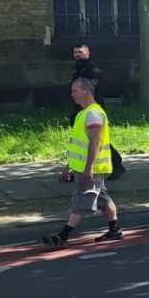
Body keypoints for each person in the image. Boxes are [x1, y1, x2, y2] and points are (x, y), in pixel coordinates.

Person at [41, 78, 124, 247]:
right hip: (84, 167)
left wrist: (89, 168)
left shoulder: (93, 113)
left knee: (82, 200)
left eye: (75, 91)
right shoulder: (83, 113)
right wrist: (69, 167)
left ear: (86, 91)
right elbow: (79, 145)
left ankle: (62, 236)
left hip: (92, 168)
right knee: (102, 198)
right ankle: (114, 230)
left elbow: (95, 142)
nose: (72, 95)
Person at [69, 43, 125, 180]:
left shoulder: (93, 70)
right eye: (75, 52)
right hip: (81, 108)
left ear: (88, 53)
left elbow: (94, 90)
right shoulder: (78, 70)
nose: (77, 55)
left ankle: (115, 165)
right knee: (84, 140)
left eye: (80, 52)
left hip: (93, 108)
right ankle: (80, 169)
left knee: (96, 139)